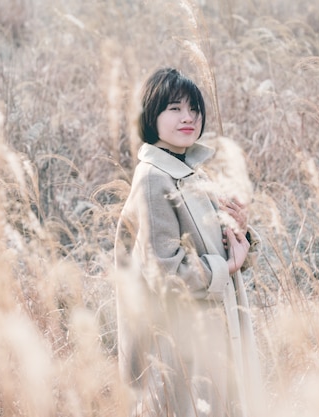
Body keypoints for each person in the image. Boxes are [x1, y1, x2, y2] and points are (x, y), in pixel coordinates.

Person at [114, 67, 263, 417]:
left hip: (207, 341)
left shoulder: (191, 170)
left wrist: (239, 230)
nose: (188, 117)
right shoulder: (154, 178)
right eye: (174, 108)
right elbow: (166, 272)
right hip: (180, 346)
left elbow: (214, 247)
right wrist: (227, 266)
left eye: (193, 108)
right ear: (152, 115)